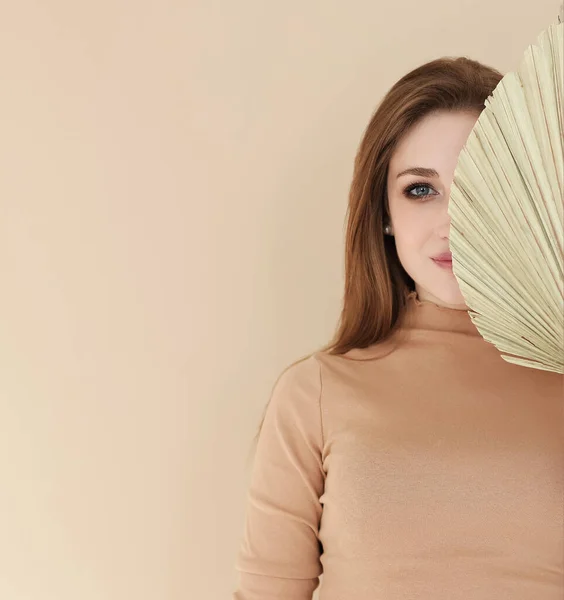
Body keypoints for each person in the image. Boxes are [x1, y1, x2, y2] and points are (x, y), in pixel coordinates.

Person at [232, 57, 564, 600]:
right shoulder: (314, 395)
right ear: (384, 212)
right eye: (420, 190)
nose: (454, 221)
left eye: (484, 186)